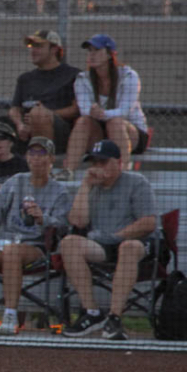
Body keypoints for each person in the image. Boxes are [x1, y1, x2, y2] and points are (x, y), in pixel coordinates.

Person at [0, 136, 71, 335]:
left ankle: (10, 315)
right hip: (2, 242)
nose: (36, 158)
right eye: (32, 153)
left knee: (12, 252)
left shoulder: (60, 192)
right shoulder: (15, 182)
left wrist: (44, 218)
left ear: (51, 159)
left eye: (41, 153)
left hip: (34, 247)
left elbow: (63, 226)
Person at [60, 139, 158, 341]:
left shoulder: (137, 182)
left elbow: (148, 223)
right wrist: (85, 186)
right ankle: (92, 312)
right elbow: (78, 221)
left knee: (128, 247)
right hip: (102, 244)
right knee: (69, 243)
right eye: (94, 162)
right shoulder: (92, 187)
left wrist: (116, 237)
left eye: (103, 162)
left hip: (135, 242)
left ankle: (115, 318)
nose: (98, 167)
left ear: (119, 162)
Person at [0, 29, 79, 160]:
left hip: (59, 134)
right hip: (24, 132)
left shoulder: (72, 75)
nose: (33, 50)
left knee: (38, 114)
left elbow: (76, 109)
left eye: (39, 46)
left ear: (54, 49)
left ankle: (43, 165)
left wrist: (46, 115)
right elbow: (14, 109)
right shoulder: (25, 79)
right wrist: (20, 125)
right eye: (31, 46)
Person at [59, 34, 149, 179]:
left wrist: (103, 114)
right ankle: (68, 170)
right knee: (83, 121)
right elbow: (84, 110)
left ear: (109, 54)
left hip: (131, 133)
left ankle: (124, 171)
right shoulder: (82, 79)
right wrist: (97, 114)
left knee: (115, 122)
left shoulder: (129, 76)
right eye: (89, 51)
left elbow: (126, 111)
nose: (91, 55)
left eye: (96, 50)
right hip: (100, 135)